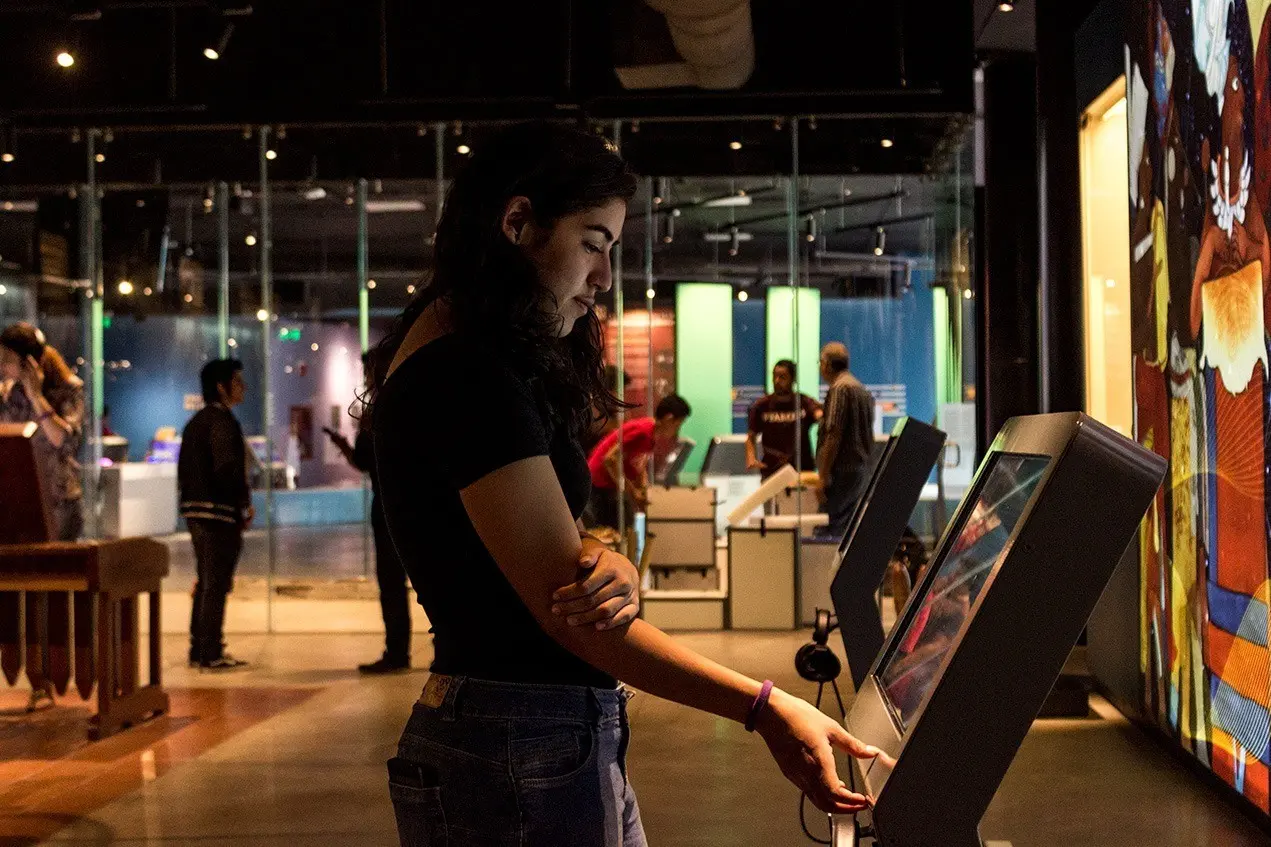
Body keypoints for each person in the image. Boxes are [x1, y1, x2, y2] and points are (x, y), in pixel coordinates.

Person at [370, 122, 881, 847]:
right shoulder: (468, 375)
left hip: (523, 741)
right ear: (517, 223)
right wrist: (764, 705)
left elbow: (536, 555)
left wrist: (604, 552)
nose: (604, 277)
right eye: (592, 242)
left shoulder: (465, 354)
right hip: (517, 748)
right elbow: (566, 613)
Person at [327, 350, 412, 674]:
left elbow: (370, 460)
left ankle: (398, 651)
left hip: (391, 503)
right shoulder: (398, 405)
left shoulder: (382, 409)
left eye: (367, 373)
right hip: (402, 500)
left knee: (392, 580)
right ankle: (426, 649)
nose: (364, 380)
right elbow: (366, 461)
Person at [179, 359, 253, 670]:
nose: (242, 387)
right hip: (218, 514)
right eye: (237, 381)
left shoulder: (196, 422)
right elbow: (227, 468)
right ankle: (210, 650)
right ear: (221, 387)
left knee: (207, 579)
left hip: (198, 512)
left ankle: (200, 647)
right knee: (216, 582)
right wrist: (242, 503)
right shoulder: (222, 422)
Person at [0, 323, 85, 541]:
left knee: (57, 571)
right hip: (21, 499)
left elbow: (64, 441)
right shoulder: (10, 393)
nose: (3, 367)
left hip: (58, 499)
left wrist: (36, 397)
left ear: (29, 362)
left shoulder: (68, 389)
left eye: (8, 359)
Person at [586, 393, 690, 530]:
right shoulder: (643, 430)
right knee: (618, 527)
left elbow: (638, 467)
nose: (677, 430)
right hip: (599, 485)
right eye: (677, 425)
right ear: (669, 418)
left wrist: (643, 489)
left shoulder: (651, 436)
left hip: (610, 486)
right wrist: (631, 491)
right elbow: (610, 459)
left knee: (628, 524)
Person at [816, 342, 875, 539]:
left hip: (840, 471)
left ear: (826, 364)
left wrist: (823, 475)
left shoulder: (839, 389)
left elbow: (833, 433)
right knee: (846, 529)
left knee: (826, 528)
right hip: (859, 470)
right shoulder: (861, 389)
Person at [745, 358, 822, 479]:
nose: (777, 381)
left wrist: (820, 414)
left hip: (802, 469)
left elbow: (819, 414)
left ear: (793, 379)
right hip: (772, 470)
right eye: (775, 376)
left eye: (782, 377)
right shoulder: (761, 406)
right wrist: (751, 457)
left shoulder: (804, 402)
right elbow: (751, 436)